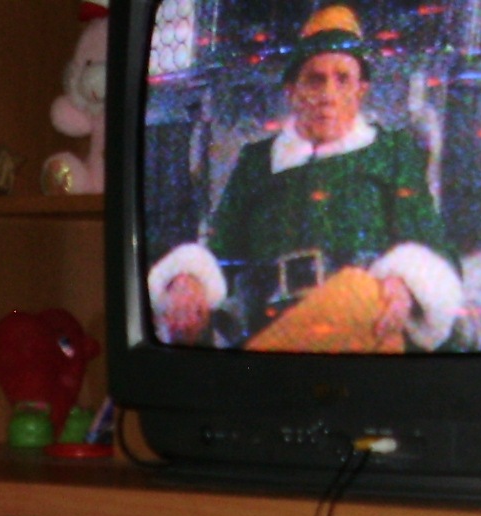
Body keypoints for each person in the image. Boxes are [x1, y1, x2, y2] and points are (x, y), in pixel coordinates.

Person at [151, 4, 463, 352]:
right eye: (315, 79)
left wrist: (406, 286)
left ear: (361, 90)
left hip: (367, 330)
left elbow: (432, 249)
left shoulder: (392, 153)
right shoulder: (257, 162)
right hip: (274, 326)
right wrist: (189, 280)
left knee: (360, 291)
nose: (328, 95)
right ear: (292, 90)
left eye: (343, 79)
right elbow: (220, 251)